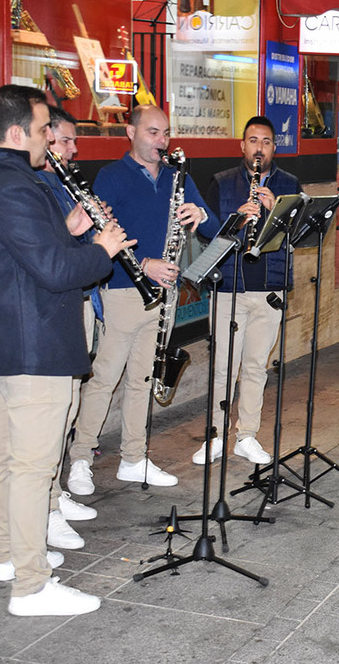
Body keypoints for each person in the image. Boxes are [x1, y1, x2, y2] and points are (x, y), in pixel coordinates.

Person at [0, 84, 131, 615]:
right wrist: (100, 249)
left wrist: (69, 229)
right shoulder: (15, 188)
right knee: (31, 467)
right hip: (35, 349)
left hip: (1, 344)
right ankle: (31, 585)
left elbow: (26, 256)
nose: (51, 136)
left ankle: (7, 554)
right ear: (15, 133)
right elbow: (53, 272)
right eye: (44, 127)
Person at [68, 105, 211, 494]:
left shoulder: (177, 175)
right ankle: (80, 458)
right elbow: (91, 235)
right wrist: (143, 263)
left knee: (142, 379)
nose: (161, 142)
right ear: (130, 132)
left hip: (163, 295)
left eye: (165, 134)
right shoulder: (111, 176)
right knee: (105, 378)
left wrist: (199, 212)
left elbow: (211, 224)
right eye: (152, 133)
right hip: (122, 290)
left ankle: (134, 457)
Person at [190, 116, 303, 465]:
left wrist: (275, 213)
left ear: (274, 147)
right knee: (223, 367)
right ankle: (215, 436)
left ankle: (246, 436)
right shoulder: (222, 183)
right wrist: (238, 218)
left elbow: (298, 237)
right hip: (230, 286)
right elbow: (206, 236)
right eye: (253, 141)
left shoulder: (290, 184)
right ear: (243, 146)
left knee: (256, 367)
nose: (259, 148)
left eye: (266, 142)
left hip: (269, 287)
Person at [33, 106, 99, 550]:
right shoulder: (36, 187)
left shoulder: (60, 183)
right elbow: (48, 252)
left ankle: (56, 493)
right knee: (52, 415)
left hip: (80, 301)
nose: (73, 150)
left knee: (71, 405)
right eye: (64, 140)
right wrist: (79, 230)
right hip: (55, 310)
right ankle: (47, 507)